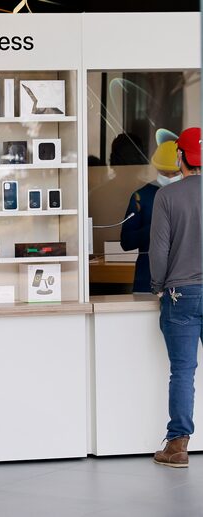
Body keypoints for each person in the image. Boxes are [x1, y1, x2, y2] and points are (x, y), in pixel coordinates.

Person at [149, 127, 202, 468]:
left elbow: (159, 249)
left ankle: (178, 446)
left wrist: (157, 286)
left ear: (180, 157)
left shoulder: (167, 197)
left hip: (182, 293)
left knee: (183, 371)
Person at [120, 140, 182, 293]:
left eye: (174, 173)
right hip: (146, 280)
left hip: (183, 280)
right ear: (156, 169)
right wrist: (155, 227)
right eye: (164, 173)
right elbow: (126, 242)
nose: (169, 177)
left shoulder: (190, 194)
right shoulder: (141, 196)